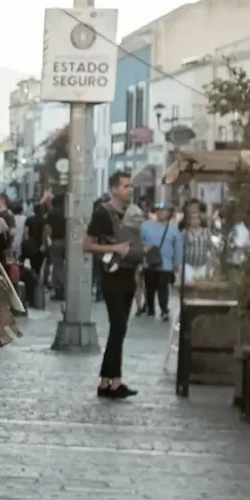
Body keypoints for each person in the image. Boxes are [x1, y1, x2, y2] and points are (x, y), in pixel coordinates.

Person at [84, 170, 140, 399]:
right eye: (126, 186)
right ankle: (108, 382)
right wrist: (114, 249)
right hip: (112, 275)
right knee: (117, 327)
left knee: (121, 329)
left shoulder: (132, 213)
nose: (130, 190)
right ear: (114, 189)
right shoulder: (102, 213)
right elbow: (86, 246)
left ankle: (111, 382)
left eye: (131, 186)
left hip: (129, 274)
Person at [138, 203, 179, 321]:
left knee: (163, 287)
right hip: (149, 262)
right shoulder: (145, 226)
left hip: (166, 264)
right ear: (155, 212)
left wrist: (176, 262)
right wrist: (143, 251)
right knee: (150, 287)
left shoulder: (173, 228)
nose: (161, 213)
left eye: (164, 211)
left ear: (168, 213)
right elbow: (140, 242)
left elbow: (177, 246)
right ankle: (150, 309)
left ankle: (164, 310)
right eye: (159, 210)